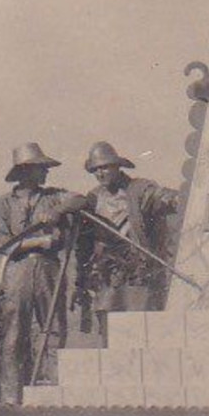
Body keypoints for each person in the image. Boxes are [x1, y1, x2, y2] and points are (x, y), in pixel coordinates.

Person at [0, 143, 87, 403]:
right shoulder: (3, 204)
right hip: (17, 271)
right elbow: (4, 245)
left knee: (54, 329)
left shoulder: (53, 196)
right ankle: (11, 398)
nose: (46, 172)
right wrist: (41, 241)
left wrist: (57, 211)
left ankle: (54, 394)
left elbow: (82, 199)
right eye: (41, 168)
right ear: (25, 171)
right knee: (14, 334)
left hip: (49, 270)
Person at [80, 141, 182, 340]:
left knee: (141, 332)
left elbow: (162, 197)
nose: (100, 173)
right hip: (107, 276)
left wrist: (181, 198)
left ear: (117, 166)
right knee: (110, 335)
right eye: (96, 170)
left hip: (138, 273)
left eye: (105, 167)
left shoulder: (139, 190)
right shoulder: (92, 198)